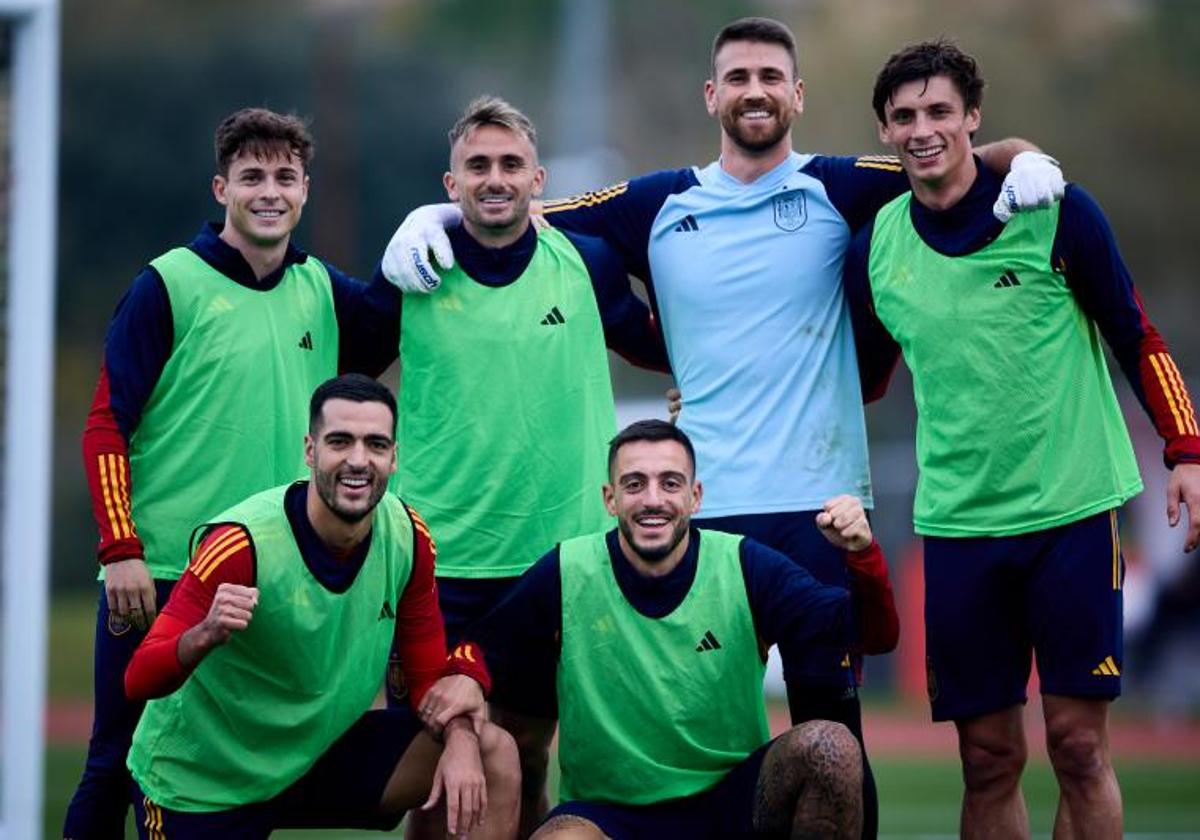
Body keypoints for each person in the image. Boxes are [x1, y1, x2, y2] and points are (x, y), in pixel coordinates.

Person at [379, 18, 1063, 838]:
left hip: (819, 508)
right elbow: (519, 204)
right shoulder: (655, 202)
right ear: (713, 95)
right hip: (698, 514)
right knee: (682, 731)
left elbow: (952, 157)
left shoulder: (842, 184)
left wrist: (1025, 155)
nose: (755, 91)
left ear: (797, 95)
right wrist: (431, 216)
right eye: (737, 76)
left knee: (832, 744)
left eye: (771, 76)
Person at [843, 40, 1200, 839]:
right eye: (905, 116)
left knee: (1078, 747)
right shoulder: (875, 248)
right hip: (960, 529)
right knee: (988, 759)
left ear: (974, 118)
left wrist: (1187, 452)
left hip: (1071, 514)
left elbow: (1135, 335)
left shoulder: (1057, 209)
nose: (923, 129)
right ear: (886, 131)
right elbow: (861, 379)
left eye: (940, 111)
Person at [67, 108, 402, 838]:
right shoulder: (168, 285)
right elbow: (105, 424)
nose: (269, 191)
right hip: (158, 568)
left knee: (251, 763)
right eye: (252, 176)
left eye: (285, 176)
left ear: (306, 190)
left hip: (265, 577)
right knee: (114, 759)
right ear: (222, 187)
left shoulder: (322, 288)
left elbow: (411, 324)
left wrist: (428, 231)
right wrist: (120, 548)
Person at [389, 95, 668, 836]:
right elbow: (338, 364)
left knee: (530, 756)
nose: (494, 178)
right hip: (438, 562)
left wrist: (701, 378)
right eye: (476, 165)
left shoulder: (585, 262)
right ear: (449, 187)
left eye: (510, 163)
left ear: (537, 178)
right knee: (441, 769)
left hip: (555, 561)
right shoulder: (414, 273)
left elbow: (659, 343)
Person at [421, 419, 898, 839]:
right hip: (607, 814)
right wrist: (468, 676)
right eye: (634, 484)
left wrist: (863, 554)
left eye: (670, 483)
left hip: (731, 805)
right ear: (610, 499)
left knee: (831, 747)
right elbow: (481, 645)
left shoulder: (745, 565)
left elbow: (872, 636)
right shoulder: (570, 569)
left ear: (695, 497)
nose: (653, 499)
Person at [122, 374, 520, 838]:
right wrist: (203, 635)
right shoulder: (240, 544)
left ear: (394, 457)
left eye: (375, 444)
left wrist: (460, 737)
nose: (357, 459)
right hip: (207, 781)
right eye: (339, 441)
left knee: (493, 753)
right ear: (310, 451)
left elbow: (427, 682)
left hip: (318, 753)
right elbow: (138, 678)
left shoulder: (408, 536)